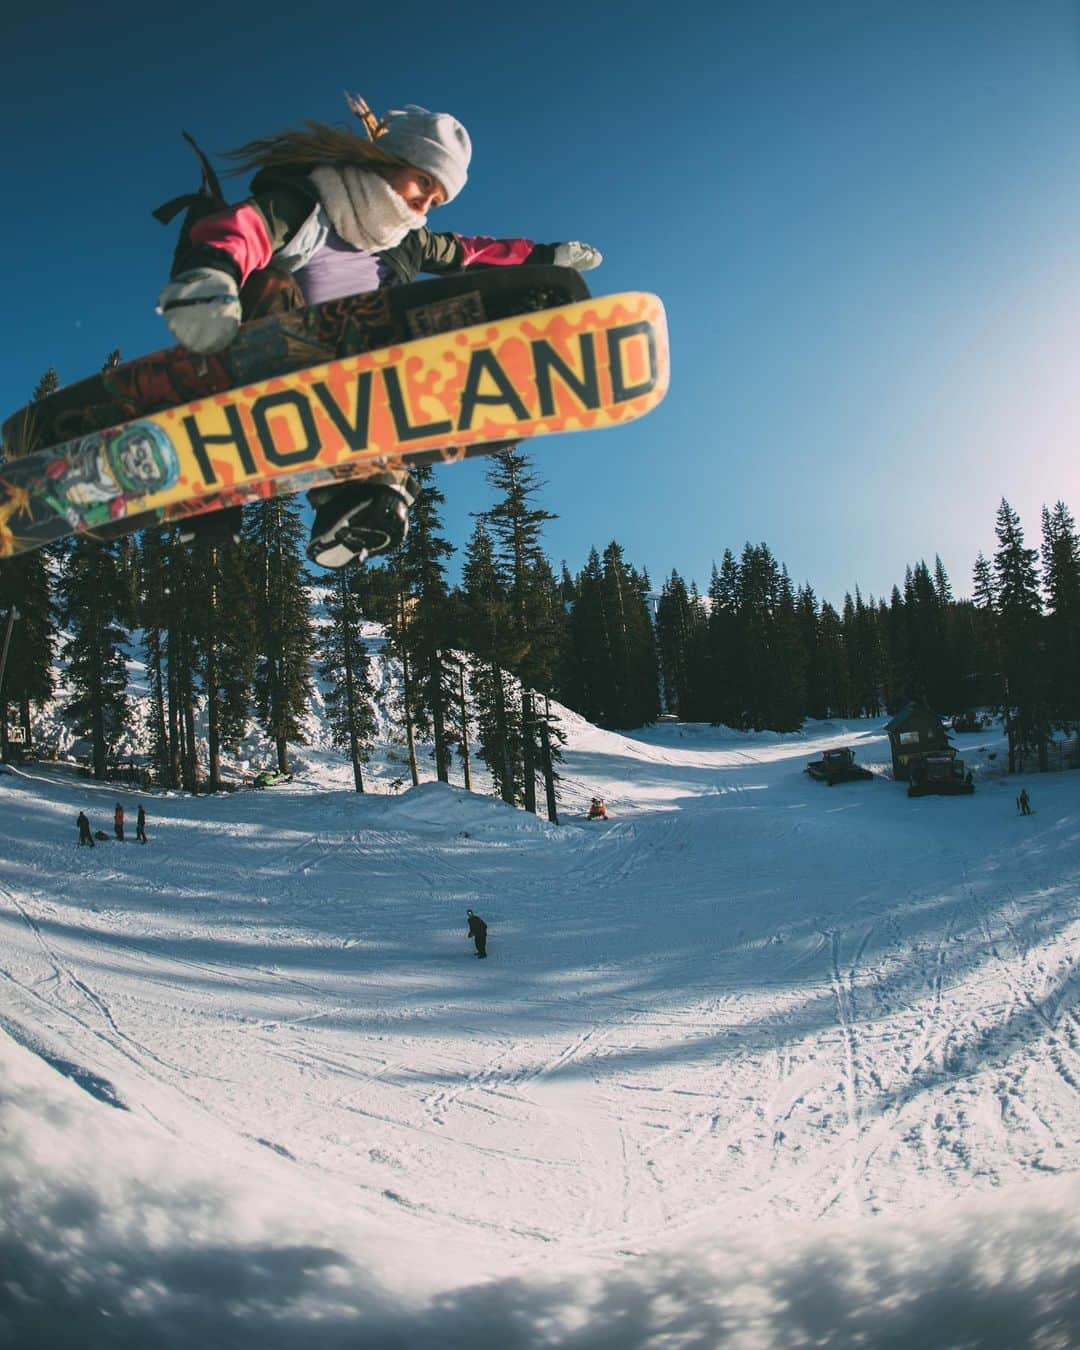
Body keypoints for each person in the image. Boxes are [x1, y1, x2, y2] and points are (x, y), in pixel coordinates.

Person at [158, 94, 602, 567]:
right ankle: (218, 479)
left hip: (361, 382)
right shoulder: (313, 201)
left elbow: (471, 254)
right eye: (424, 181)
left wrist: (543, 262)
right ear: (392, 159)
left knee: (431, 314)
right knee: (270, 282)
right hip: (276, 358)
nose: (426, 201)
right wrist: (213, 273)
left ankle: (354, 499)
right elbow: (247, 228)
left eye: (439, 198)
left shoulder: (408, 241)